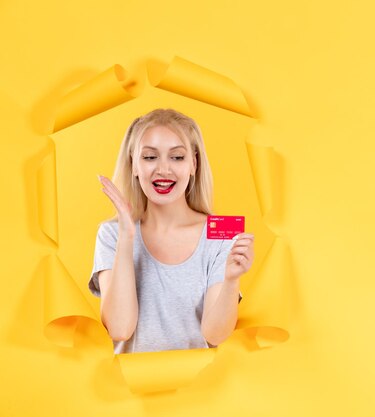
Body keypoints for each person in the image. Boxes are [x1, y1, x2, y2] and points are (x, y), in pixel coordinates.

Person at [88, 108, 254, 354]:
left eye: (177, 157)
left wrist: (231, 280)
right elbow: (120, 329)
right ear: (133, 165)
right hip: (130, 389)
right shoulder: (112, 234)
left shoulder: (222, 235)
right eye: (150, 157)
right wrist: (126, 237)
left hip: (200, 388)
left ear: (193, 165)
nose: (163, 169)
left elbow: (215, 335)